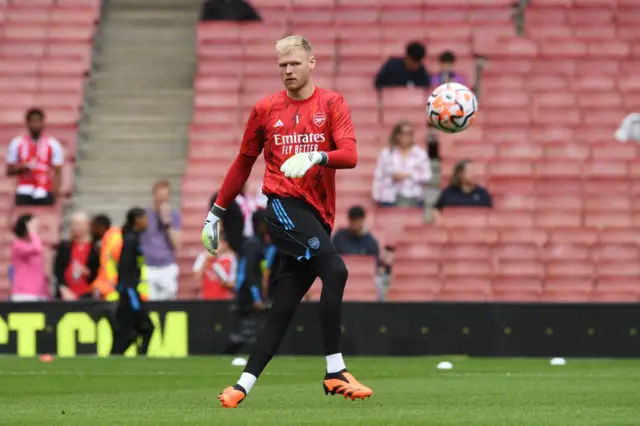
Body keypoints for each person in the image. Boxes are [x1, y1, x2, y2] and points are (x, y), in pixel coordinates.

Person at [201, 35, 372, 408]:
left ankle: (241, 385)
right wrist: (216, 213)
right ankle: (335, 369)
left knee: (284, 306)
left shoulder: (332, 103)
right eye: (282, 65)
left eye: (294, 63)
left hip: (316, 216)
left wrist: (317, 157)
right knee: (337, 272)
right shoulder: (265, 109)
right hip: (280, 207)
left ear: (312, 62)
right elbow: (243, 162)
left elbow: (351, 154)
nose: (288, 71)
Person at [221, 211, 270, 355]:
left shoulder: (259, 243)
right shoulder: (253, 244)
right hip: (247, 293)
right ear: (261, 225)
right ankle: (227, 353)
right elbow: (248, 272)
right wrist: (256, 298)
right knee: (246, 332)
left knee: (250, 331)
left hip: (250, 292)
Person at [111, 208, 154, 356]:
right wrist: (130, 294)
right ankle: (141, 358)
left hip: (130, 292)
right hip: (130, 294)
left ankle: (125, 357)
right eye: (145, 218)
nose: (147, 222)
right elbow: (125, 268)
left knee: (131, 333)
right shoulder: (130, 240)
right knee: (145, 328)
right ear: (136, 220)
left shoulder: (133, 238)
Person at [6, 108, 64, 206]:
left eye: (39, 121)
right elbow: (9, 170)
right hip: (24, 189)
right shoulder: (16, 143)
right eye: (33, 121)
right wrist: (22, 168)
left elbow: (58, 171)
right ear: (27, 123)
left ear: (43, 123)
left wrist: (55, 192)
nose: (36, 125)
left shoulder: (53, 144)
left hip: (45, 189)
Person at [372, 120, 432, 207]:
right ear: (397, 135)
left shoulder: (420, 154)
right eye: (404, 134)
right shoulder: (387, 153)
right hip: (389, 198)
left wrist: (408, 175)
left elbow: (427, 176)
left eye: (410, 134)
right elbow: (379, 175)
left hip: (414, 197)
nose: (406, 137)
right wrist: (377, 196)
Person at [141, 180, 181, 301]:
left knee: (168, 304)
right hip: (148, 267)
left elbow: (178, 244)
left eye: (166, 196)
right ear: (154, 196)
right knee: (149, 303)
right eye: (160, 196)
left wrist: (168, 223)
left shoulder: (175, 216)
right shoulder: (144, 216)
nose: (163, 199)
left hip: (167, 267)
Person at [53, 211, 100, 300]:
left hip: (88, 295)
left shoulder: (95, 248)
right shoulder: (65, 246)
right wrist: (63, 289)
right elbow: (57, 270)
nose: (75, 227)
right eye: (73, 224)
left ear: (87, 225)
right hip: (66, 295)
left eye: (78, 224)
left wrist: (87, 272)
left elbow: (98, 271)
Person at [432, 159, 493, 224]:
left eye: (473, 171)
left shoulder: (482, 193)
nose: (473, 174)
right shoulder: (449, 192)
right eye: (470, 171)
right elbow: (436, 209)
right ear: (460, 174)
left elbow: (490, 214)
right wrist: (439, 219)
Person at [10, 214, 49, 301]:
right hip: (24, 294)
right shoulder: (18, 245)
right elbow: (37, 248)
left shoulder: (34, 243)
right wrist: (32, 232)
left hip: (40, 293)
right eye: (34, 226)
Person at [193, 235, 237, 300]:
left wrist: (225, 283)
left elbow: (234, 282)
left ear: (225, 244)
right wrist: (207, 260)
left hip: (223, 299)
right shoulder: (203, 256)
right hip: (206, 298)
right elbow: (197, 276)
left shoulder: (230, 259)